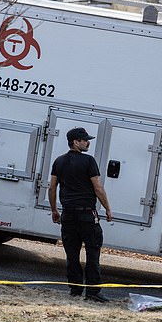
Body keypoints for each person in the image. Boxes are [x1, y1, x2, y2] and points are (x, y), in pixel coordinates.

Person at [48, 127, 113, 303]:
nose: (88, 142)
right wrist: (107, 208)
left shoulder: (59, 161)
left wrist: (54, 210)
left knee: (72, 253)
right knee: (92, 253)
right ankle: (92, 292)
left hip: (68, 216)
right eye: (85, 140)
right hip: (86, 215)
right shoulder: (89, 161)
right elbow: (98, 187)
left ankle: (75, 289)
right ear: (76, 142)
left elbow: (52, 187)